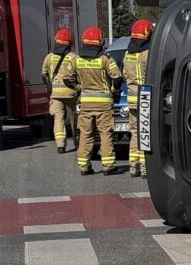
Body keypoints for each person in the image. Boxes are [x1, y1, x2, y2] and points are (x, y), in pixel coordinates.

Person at [66, 26, 122, 176]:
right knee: (105, 133)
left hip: (86, 103)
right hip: (103, 104)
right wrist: (114, 91)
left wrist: (79, 88)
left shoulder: (76, 60)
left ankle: (84, 166)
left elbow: (67, 78)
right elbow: (117, 77)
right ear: (100, 42)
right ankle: (108, 166)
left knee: (86, 134)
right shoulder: (105, 59)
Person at [124, 19, 153, 178]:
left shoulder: (128, 53)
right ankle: (144, 169)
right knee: (145, 134)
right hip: (145, 99)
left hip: (131, 98)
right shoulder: (147, 54)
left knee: (134, 133)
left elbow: (123, 75)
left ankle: (132, 167)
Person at [41, 29, 78, 153]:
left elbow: (44, 74)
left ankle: (60, 145)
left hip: (55, 94)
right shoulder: (73, 57)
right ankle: (76, 141)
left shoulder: (49, 57)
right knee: (74, 118)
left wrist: (49, 85)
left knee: (58, 118)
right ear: (69, 42)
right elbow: (79, 73)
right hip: (70, 93)